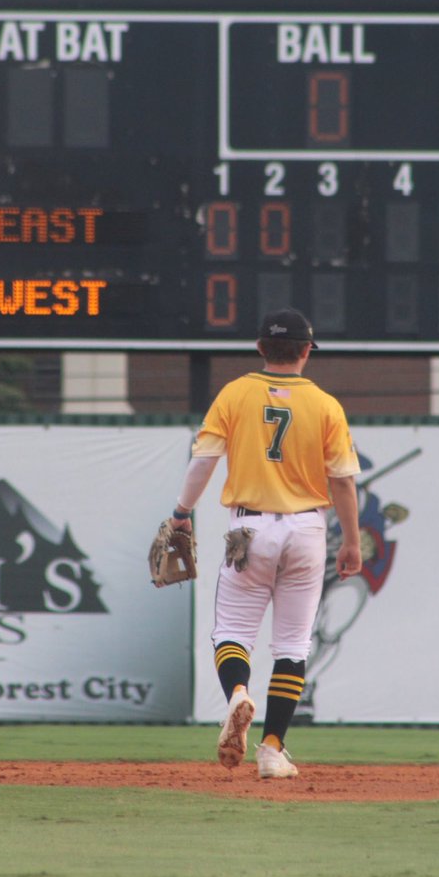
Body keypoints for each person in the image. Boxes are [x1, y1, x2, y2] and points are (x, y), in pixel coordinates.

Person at [169, 307, 362, 778]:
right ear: (306, 352)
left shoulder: (235, 393)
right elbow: (342, 483)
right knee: (293, 644)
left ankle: (238, 694)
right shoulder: (326, 405)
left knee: (232, 632)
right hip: (308, 528)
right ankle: (273, 750)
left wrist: (181, 513)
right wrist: (352, 542)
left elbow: (203, 461)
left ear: (260, 349)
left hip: (248, 527)